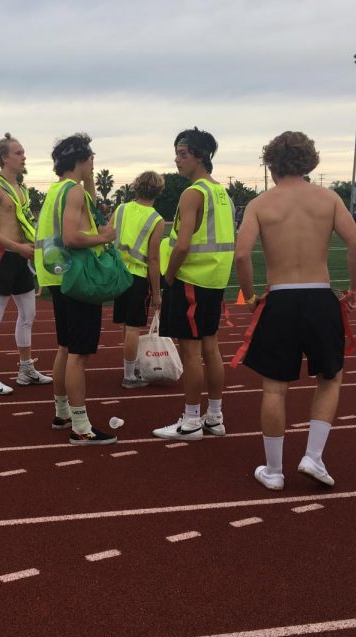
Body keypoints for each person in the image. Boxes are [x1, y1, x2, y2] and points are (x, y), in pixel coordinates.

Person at [233, 131, 356, 491]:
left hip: (280, 298)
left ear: (271, 163)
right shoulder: (328, 198)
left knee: (275, 387)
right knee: (330, 378)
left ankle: (274, 471)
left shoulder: (261, 204)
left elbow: (242, 255)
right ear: (309, 161)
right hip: (320, 296)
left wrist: (249, 297)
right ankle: (313, 456)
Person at [152, 127, 235, 442]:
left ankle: (190, 421)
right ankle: (214, 417)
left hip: (190, 280)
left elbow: (183, 243)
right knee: (211, 349)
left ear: (200, 156)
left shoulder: (193, 192)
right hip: (213, 282)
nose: (176, 160)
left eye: (182, 154)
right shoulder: (222, 193)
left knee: (191, 353)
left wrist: (169, 275)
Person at [34, 133, 116, 444]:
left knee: (65, 348)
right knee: (79, 355)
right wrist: (104, 238)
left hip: (58, 277)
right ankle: (81, 427)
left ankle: (63, 412)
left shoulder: (58, 190)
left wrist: (90, 180)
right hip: (78, 279)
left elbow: (88, 210)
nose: (94, 162)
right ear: (80, 160)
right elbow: (72, 236)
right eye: (91, 158)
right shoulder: (73, 193)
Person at [0, 132, 52, 394]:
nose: (23, 156)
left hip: (22, 258)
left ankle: (25, 369)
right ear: (4, 158)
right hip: (4, 256)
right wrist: (17, 247)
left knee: (28, 314)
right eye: (18, 153)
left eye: (23, 152)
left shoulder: (22, 189)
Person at [110, 170, 165, 388]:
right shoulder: (156, 219)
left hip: (117, 273)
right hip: (138, 277)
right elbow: (153, 259)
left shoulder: (121, 209)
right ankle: (130, 375)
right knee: (134, 327)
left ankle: (129, 368)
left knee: (126, 324)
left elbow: (107, 234)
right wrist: (157, 294)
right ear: (158, 191)